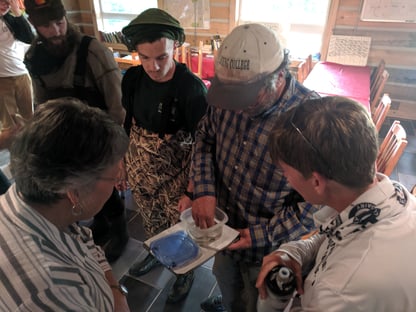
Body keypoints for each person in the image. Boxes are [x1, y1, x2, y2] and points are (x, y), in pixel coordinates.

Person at [191, 23, 320, 312]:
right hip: (223, 232)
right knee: (228, 288)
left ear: (278, 77)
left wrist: (261, 235)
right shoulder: (226, 102)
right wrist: (203, 189)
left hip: (269, 249)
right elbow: (204, 137)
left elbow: (313, 207)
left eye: (245, 98)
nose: (234, 108)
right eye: (229, 97)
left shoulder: (310, 120)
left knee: (255, 303)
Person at [256, 96, 416, 311]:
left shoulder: (340, 289)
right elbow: (336, 233)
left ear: (316, 182)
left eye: (285, 171)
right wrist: (297, 251)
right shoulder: (391, 195)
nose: (286, 179)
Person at [0, 97, 130, 311]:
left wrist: (116, 292)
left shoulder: (41, 201)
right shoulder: (50, 292)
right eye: (114, 177)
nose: (117, 184)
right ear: (74, 193)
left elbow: (85, 243)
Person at [23, 0, 128, 262]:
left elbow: (117, 103)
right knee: (79, 187)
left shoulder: (92, 51)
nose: (57, 30)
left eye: (60, 22)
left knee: (105, 186)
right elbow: (41, 102)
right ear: (35, 26)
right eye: (47, 26)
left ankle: (120, 231)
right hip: (66, 138)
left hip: (99, 135)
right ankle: (102, 223)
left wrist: (117, 150)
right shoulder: (35, 58)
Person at [120, 8, 208, 304]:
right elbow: (128, 123)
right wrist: (122, 161)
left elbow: (203, 144)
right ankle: (156, 255)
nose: (153, 67)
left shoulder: (191, 89)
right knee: (151, 221)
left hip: (177, 178)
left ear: (175, 48)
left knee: (182, 231)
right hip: (141, 170)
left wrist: (191, 192)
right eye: (144, 57)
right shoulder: (131, 79)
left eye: (161, 57)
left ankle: (185, 274)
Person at [0, 0, 34, 149]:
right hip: (1, 80)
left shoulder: (10, 19)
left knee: (30, 120)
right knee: (10, 127)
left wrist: (17, 12)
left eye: (8, 2)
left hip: (21, 75)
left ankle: (32, 154)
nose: (6, 4)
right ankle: (16, 160)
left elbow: (29, 38)